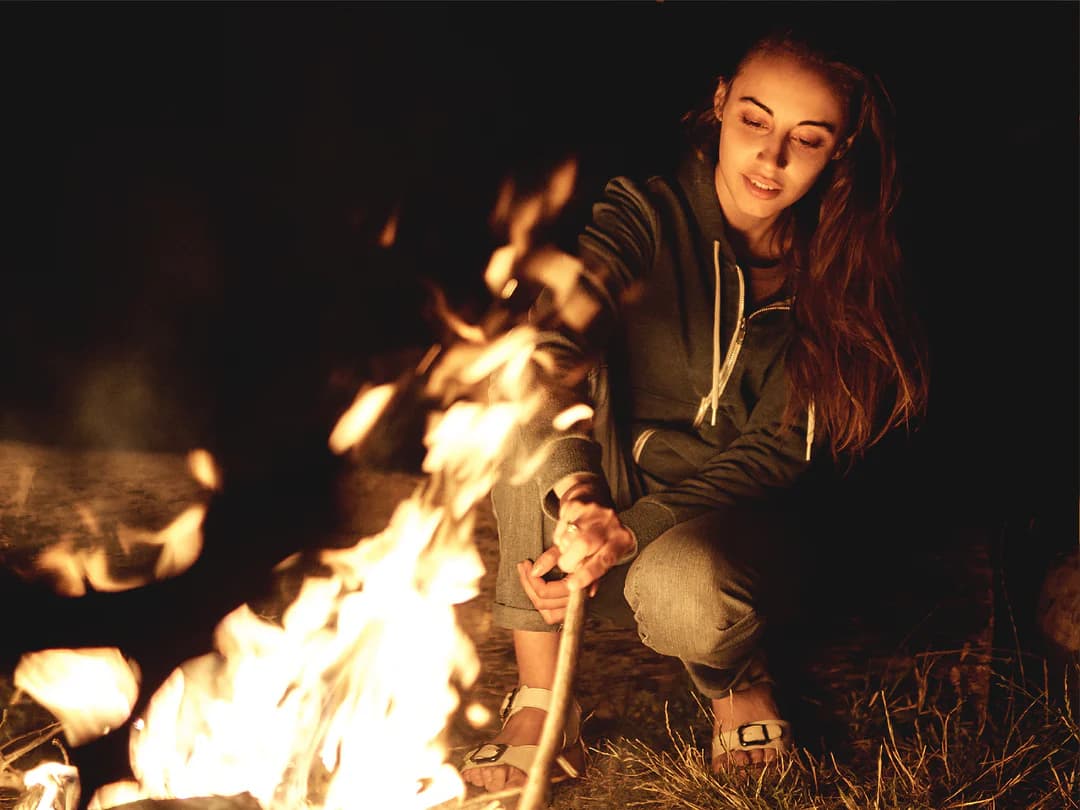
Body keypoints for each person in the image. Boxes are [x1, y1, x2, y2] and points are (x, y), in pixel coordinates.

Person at [460, 25, 929, 792]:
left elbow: (774, 456)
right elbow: (549, 354)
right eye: (754, 121)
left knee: (689, 587)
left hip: (732, 534)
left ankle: (734, 680)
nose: (770, 160)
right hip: (596, 526)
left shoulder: (842, 271)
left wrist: (633, 530)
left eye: (805, 140)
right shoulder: (644, 215)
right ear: (719, 105)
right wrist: (579, 499)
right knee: (517, 410)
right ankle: (543, 699)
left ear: (839, 149)